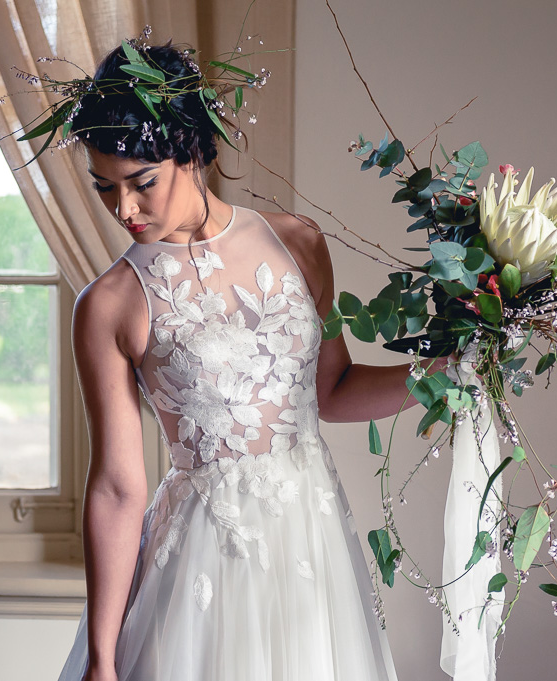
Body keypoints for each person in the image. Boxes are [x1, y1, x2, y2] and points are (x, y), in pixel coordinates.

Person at [53, 41, 443, 681]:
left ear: (191, 150)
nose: (124, 210)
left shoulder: (298, 244)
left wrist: (447, 373)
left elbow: (334, 391)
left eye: (140, 183)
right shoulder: (110, 305)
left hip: (311, 547)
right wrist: (101, 660)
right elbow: (119, 488)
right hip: (204, 560)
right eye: (105, 189)